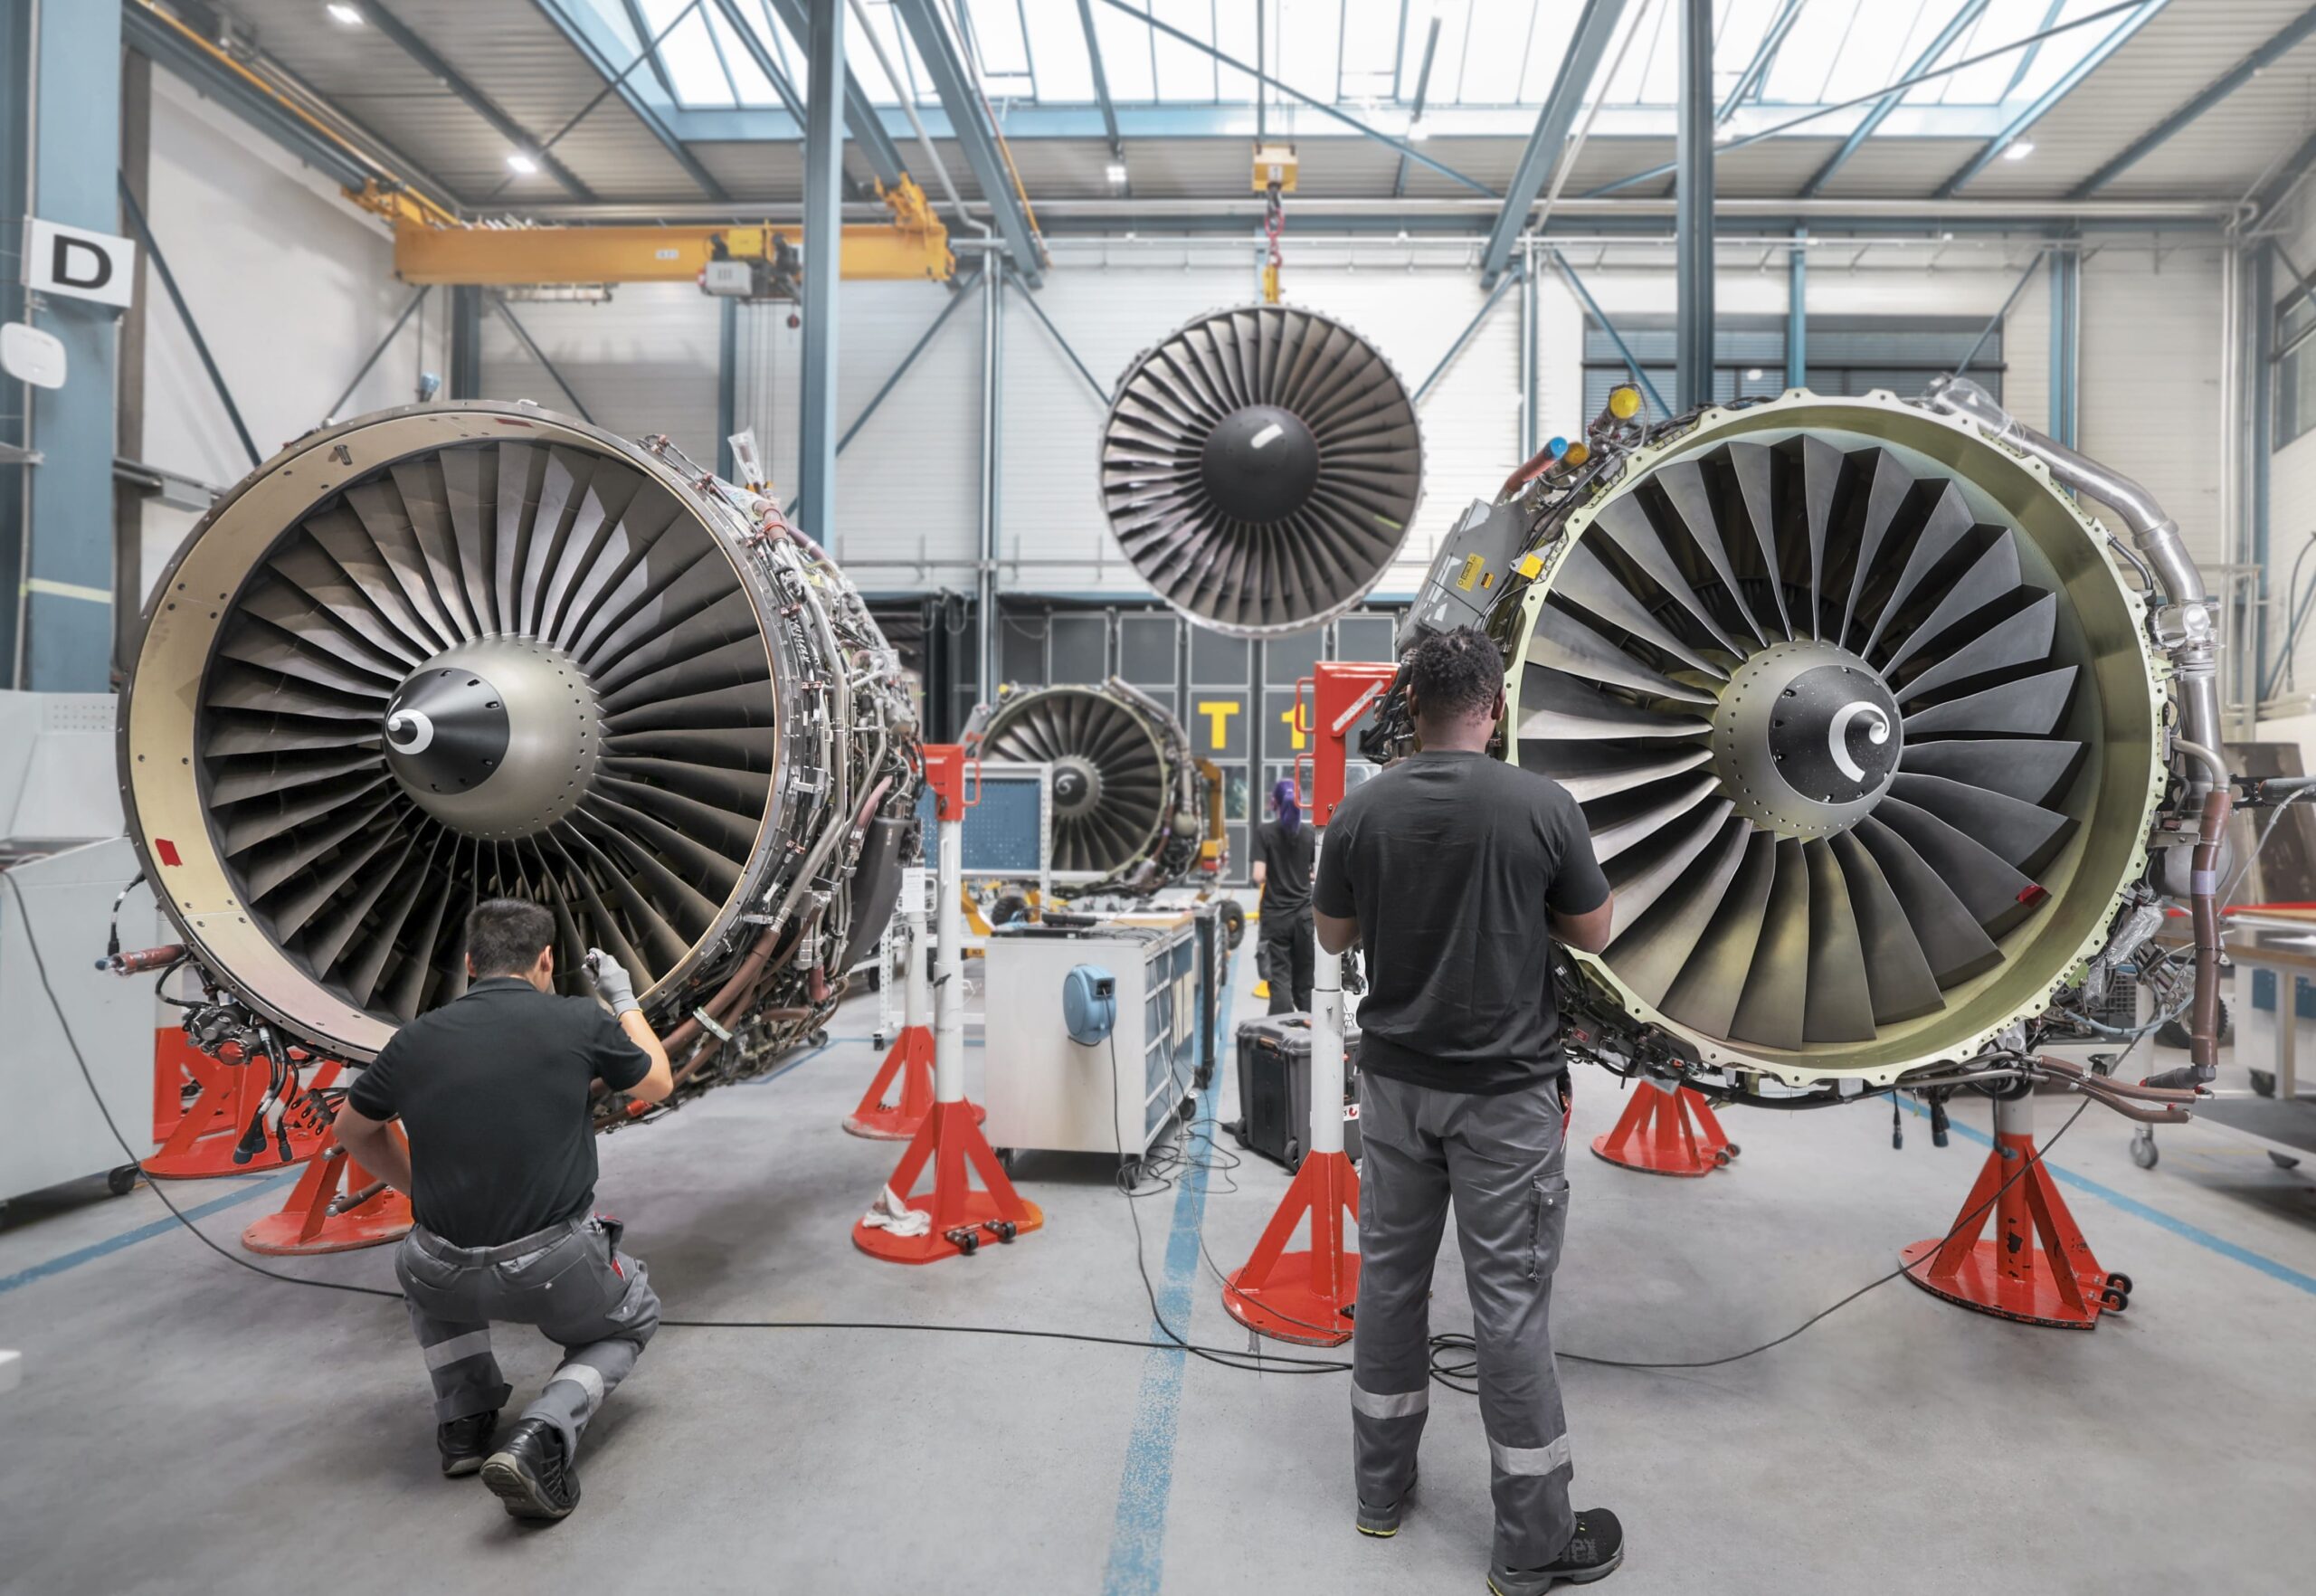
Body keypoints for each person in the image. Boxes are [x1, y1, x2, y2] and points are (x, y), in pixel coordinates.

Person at [1312, 626, 1622, 1595]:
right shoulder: (1542, 806)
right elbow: (1595, 930)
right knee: (1508, 1312)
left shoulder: (1362, 812)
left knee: (1392, 1286)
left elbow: (1331, 937)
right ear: (1493, 706)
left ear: (1412, 707)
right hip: (1505, 1101)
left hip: (1398, 1090)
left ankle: (1377, 1496)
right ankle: (1528, 1547)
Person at [335, 898, 674, 1525]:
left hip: (438, 1263)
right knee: (633, 1316)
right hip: (552, 1268)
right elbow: (658, 1083)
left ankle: (463, 1423)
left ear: (469, 963)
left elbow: (352, 1130)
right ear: (546, 960)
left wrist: (422, 1193)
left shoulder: (415, 1039)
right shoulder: (576, 1020)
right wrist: (622, 1000)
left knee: (427, 1275)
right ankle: (544, 1433)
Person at [1252, 777, 1316, 1014]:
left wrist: (1276, 872)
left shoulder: (1265, 832)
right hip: (1304, 918)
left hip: (1275, 918)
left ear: (1274, 803)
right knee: (1306, 984)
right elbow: (1315, 872)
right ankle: (1311, 1044)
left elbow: (1258, 875)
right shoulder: (1309, 833)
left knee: (1279, 980)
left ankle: (1282, 1041)